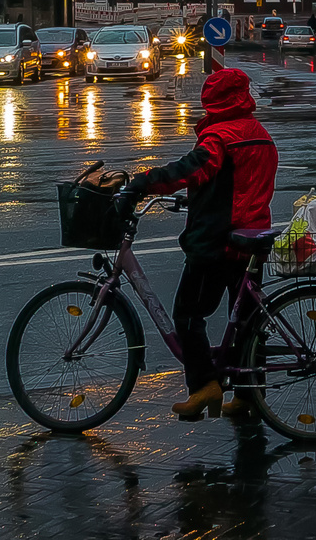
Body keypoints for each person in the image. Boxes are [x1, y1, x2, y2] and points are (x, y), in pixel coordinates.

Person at [123, 67, 278, 420]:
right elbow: (236, 185)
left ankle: (204, 385)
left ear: (214, 101)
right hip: (252, 241)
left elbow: (191, 170)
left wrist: (143, 181)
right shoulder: (260, 134)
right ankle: (250, 394)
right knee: (247, 323)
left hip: (219, 243)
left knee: (188, 315)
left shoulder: (220, 137)